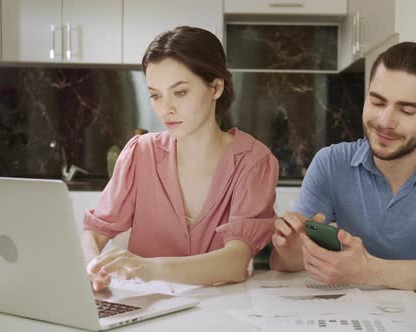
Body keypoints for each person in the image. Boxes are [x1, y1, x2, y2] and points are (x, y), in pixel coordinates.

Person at [270, 36, 416, 332]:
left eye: (406, 110)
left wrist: (368, 270)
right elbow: (285, 263)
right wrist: (292, 245)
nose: (384, 121)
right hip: (350, 323)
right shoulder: (331, 163)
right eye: (377, 101)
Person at [82, 26, 279, 290]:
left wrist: (149, 268)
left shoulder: (253, 162)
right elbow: (93, 234)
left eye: (180, 92)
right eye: (155, 95)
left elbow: (235, 261)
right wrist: (93, 267)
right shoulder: (140, 153)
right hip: (147, 313)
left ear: (216, 87)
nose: (166, 109)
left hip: (221, 315)